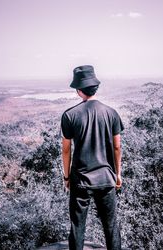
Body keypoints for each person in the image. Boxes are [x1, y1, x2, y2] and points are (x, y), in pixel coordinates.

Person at [61, 65, 124, 250]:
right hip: (106, 177)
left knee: (77, 226)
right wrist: (118, 174)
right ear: (95, 87)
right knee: (111, 225)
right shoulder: (111, 113)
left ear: (79, 90)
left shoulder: (70, 115)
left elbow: (66, 150)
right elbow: (117, 147)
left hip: (80, 179)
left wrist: (66, 177)